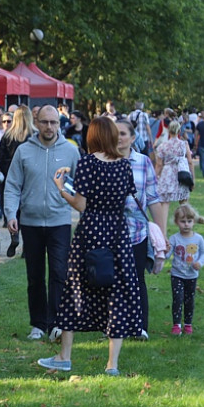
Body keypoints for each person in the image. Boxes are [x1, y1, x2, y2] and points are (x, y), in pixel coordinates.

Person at [38, 117, 143, 376]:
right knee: (116, 293)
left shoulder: (87, 163)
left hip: (91, 232)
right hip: (117, 234)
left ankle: (64, 356)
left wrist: (61, 188)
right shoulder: (124, 165)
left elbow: (82, 204)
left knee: (76, 290)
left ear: (93, 136)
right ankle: (112, 365)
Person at [3, 105, 79, 342]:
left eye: (54, 123)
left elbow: (80, 184)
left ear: (60, 124)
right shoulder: (24, 151)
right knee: (34, 276)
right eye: (45, 122)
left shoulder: (70, 151)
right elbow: (13, 184)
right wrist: (11, 213)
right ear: (36, 122)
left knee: (59, 272)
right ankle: (38, 323)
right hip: (31, 222)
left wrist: (75, 204)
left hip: (59, 221)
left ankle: (56, 323)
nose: (49, 127)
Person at [117, 120, 166, 342]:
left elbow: (154, 198)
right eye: (115, 134)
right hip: (110, 232)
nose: (119, 138)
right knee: (114, 279)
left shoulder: (143, 162)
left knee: (136, 279)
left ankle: (139, 326)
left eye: (123, 134)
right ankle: (116, 325)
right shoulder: (103, 161)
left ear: (133, 137)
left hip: (137, 231)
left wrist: (161, 233)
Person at [0, 107, 35, 257]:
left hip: (11, 175)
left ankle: (14, 235)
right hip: (30, 177)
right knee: (27, 210)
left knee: (12, 207)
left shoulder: (8, 135)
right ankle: (27, 245)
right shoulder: (34, 135)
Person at [167, 204, 204, 336]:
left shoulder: (198, 239)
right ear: (176, 222)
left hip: (192, 275)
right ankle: (176, 325)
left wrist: (200, 263)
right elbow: (167, 255)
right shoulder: (174, 238)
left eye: (189, 221)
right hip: (177, 275)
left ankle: (188, 324)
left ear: (194, 221)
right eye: (183, 221)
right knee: (177, 299)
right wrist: (164, 250)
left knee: (189, 300)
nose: (186, 225)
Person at [153, 120, 192, 221]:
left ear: (168, 130)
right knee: (183, 202)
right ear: (179, 131)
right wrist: (192, 178)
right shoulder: (184, 144)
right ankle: (185, 223)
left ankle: (163, 230)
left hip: (167, 174)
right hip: (182, 173)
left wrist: (154, 177)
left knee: (165, 203)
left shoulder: (163, 146)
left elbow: (159, 164)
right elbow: (190, 161)